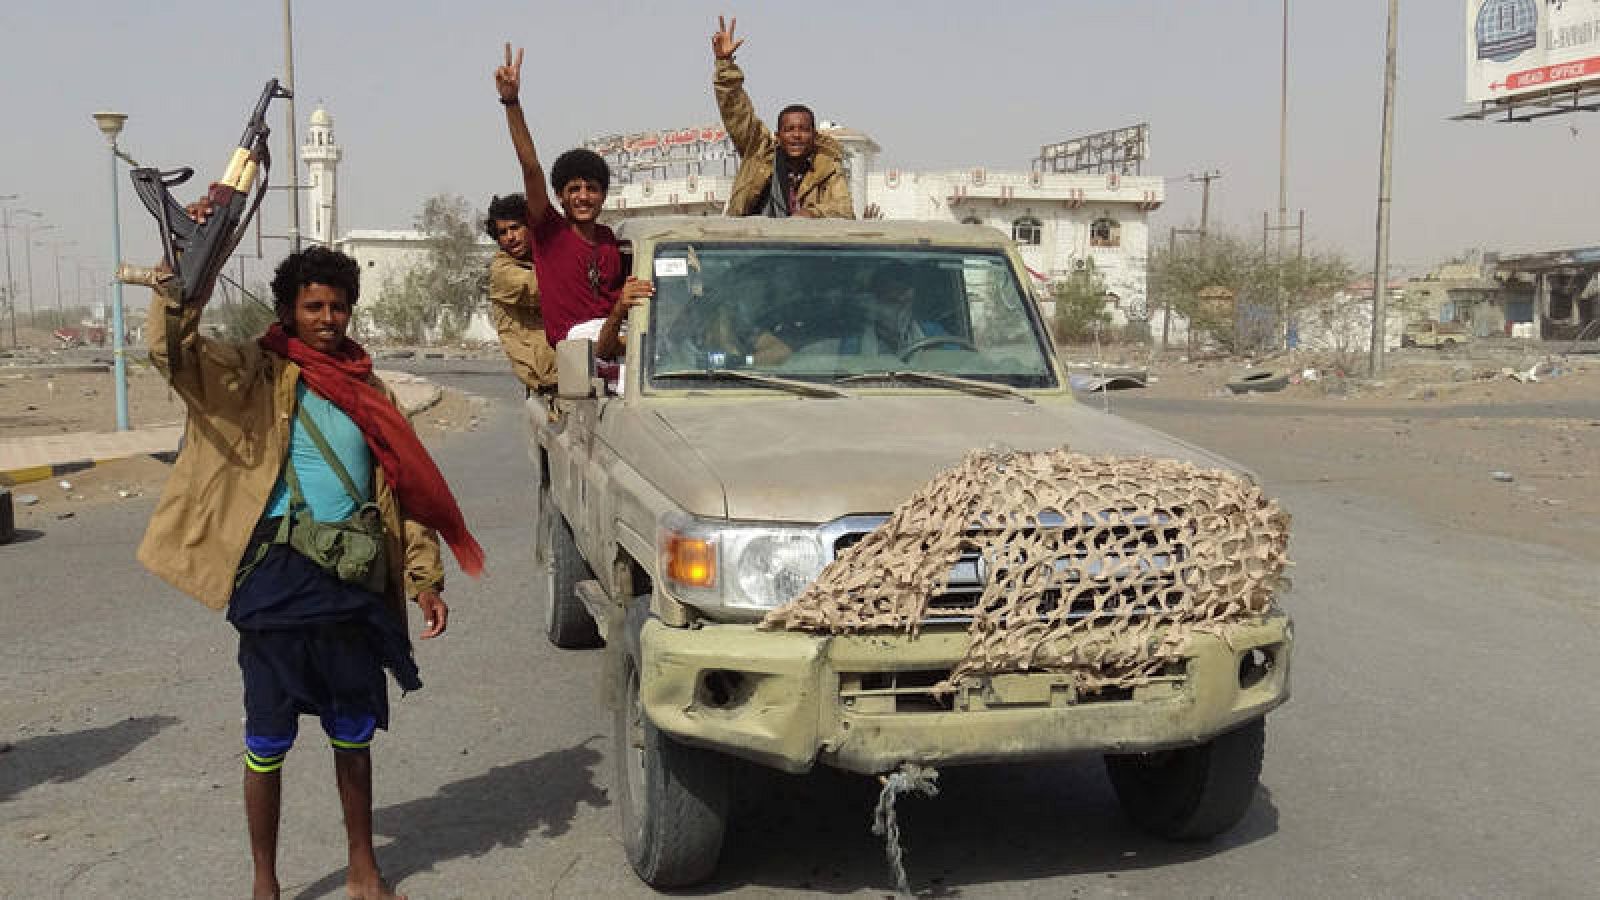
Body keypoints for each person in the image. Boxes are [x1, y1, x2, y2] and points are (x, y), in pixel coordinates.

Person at [137, 237, 484, 900]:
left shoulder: (369, 388)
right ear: (289, 309)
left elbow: (403, 490)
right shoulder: (254, 373)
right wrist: (172, 294)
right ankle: (264, 883)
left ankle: (364, 872)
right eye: (314, 305)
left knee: (353, 735)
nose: (328, 318)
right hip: (274, 582)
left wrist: (424, 576)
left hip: (352, 586)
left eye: (339, 307)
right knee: (267, 738)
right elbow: (172, 355)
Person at [495, 43, 652, 363]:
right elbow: (530, 167)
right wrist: (511, 102)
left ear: (603, 195)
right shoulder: (550, 231)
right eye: (574, 189)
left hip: (619, 343)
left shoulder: (610, 241)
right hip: (578, 353)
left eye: (591, 189)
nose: (583, 196)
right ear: (560, 196)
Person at [711, 16, 857, 219]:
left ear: (814, 135)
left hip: (805, 248)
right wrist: (725, 65)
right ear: (778, 136)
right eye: (789, 130)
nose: (796, 135)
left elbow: (844, 211)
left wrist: (811, 214)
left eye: (803, 130)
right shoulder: (759, 153)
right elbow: (736, 112)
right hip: (750, 245)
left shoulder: (827, 167)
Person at [484, 192, 557, 394]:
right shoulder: (502, 270)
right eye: (503, 232)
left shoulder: (540, 258)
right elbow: (542, 288)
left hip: (568, 369)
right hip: (546, 378)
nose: (510, 237)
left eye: (515, 228)